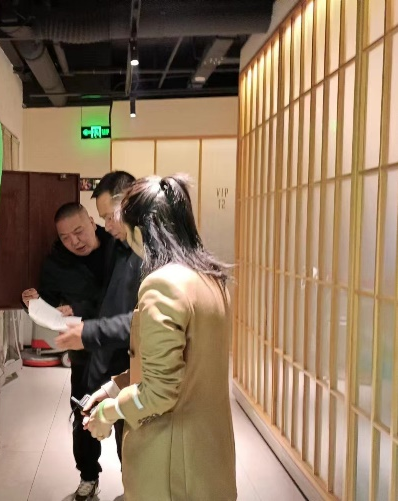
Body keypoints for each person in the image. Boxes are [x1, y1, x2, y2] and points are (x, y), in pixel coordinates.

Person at [83, 175, 237, 501]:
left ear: (141, 232)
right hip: (208, 458)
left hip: (171, 467)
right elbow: (185, 366)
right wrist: (113, 387)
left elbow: (160, 392)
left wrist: (107, 413)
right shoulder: (211, 279)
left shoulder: (162, 285)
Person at [21, 202, 116, 501]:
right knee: (83, 412)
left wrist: (79, 307)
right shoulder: (56, 263)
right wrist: (32, 300)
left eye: (79, 231)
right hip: (83, 352)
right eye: (65, 237)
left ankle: (135, 481)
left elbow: (118, 299)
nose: (74, 241)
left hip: (121, 347)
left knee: (127, 416)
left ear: (92, 222)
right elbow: (48, 303)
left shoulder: (116, 249)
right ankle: (88, 477)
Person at [55, 171, 142, 500]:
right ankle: (90, 478)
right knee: (85, 417)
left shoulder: (145, 254)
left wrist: (90, 331)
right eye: (103, 218)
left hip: (127, 361)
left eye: (109, 216)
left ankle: (134, 491)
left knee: (128, 433)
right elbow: (105, 299)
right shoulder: (117, 247)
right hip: (97, 354)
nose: (107, 226)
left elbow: (141, 322)